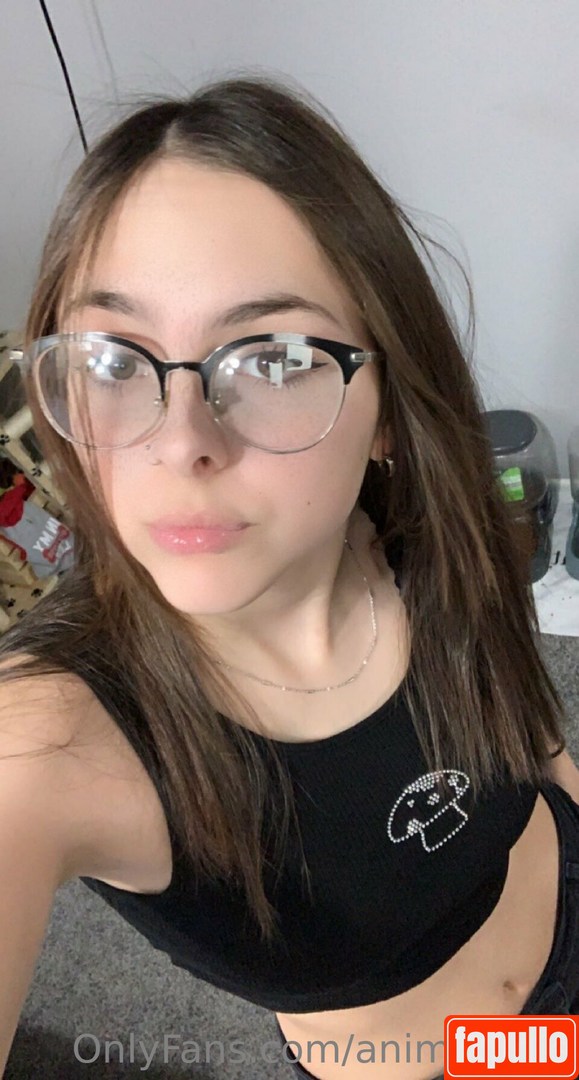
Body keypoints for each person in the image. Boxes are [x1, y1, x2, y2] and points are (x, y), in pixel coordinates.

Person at [0, 73, 577, 1080]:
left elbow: (528, 735)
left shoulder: (426, 533)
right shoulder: (45, 741)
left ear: (389, 408)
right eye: (115, 360)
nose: (181, 443)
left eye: (271, 359)